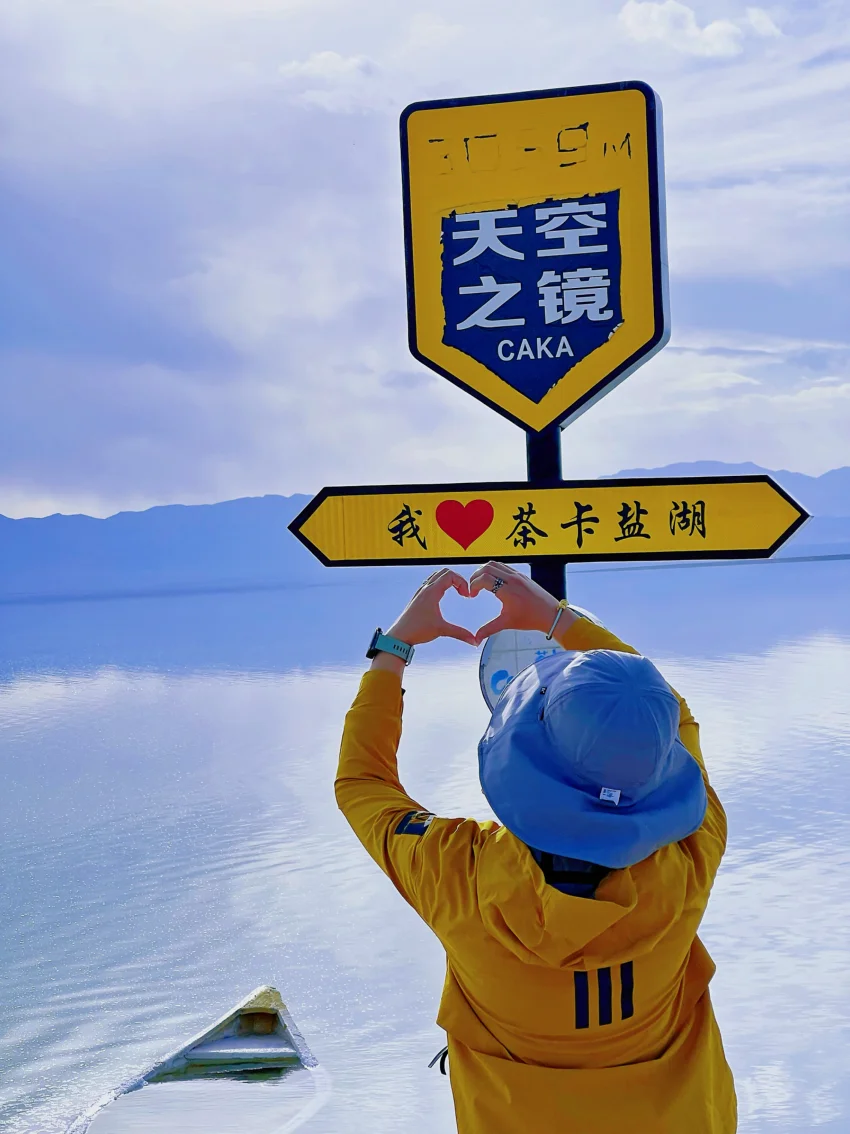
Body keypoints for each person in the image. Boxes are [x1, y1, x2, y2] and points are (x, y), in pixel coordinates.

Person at [335, 561, 737, 1133]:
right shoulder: (692, 849)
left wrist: (394, 649)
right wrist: (558, 619)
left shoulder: (457, 873)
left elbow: (363, 783)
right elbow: (666, 708)